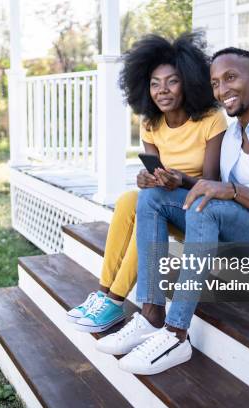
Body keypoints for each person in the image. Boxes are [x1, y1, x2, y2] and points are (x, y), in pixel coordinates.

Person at [97, 47, 249, 375]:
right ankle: (152, 313)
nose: (223, 90)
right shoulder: (234, 133)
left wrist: (232, 191)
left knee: (205, 209)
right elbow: (214, 187)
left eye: (231, 78)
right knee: (150, 198)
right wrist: (180, 180)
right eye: (216, 83)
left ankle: (177, 334)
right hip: (245, 236)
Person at [67, 33, 227, 333]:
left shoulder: (211, 119)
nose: (162, 90)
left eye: (172, 81)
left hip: (198, 208)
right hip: (163, 201)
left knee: (145, 206)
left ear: (189, 81)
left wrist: (180, 179)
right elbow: (154, 172)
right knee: (130, 199)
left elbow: (211, 183)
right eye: (154, 83)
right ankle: (104, 293)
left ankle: (114, 300)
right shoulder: (150, 123)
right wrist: (148, 177)